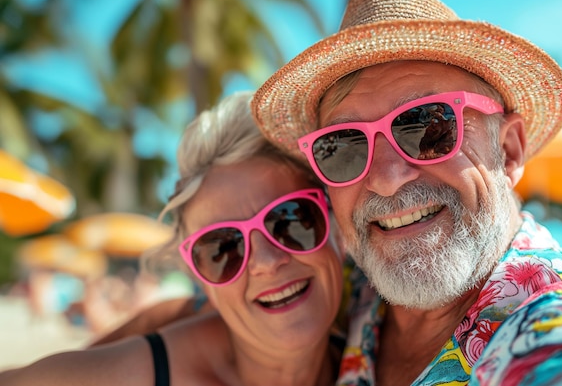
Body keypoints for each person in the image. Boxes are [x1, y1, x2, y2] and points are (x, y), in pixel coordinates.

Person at [250, 0, 562, 386]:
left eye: (427, 126)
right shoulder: (351, 292)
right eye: (342, 148)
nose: (387, 180)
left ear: (509, 150)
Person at [0, 91, 346, 386]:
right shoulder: (140, 375)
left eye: (290, 220)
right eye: (223, 249)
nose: (267, 263)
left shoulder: (382, 342)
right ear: (202, 282)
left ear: (336, 220)